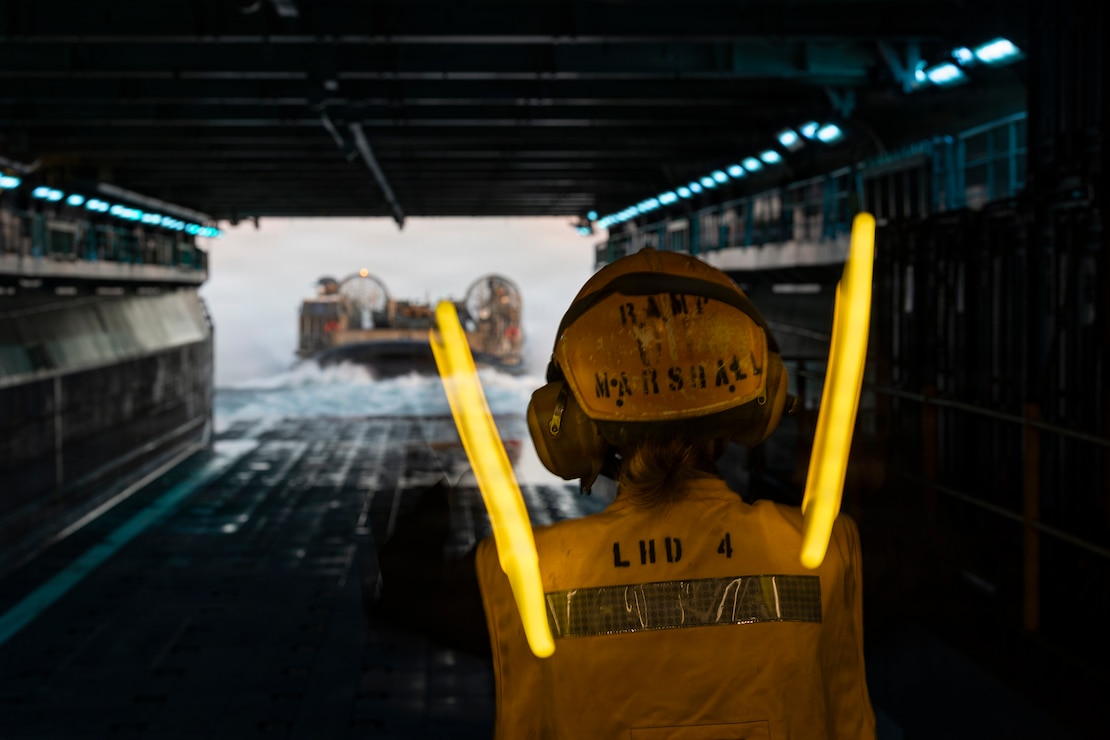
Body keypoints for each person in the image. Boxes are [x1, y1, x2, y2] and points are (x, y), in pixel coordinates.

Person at [376, 247, 876, 739]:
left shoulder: (528, 576)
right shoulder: (824, 555)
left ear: (568, 424)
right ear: (757, 400)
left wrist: (431, 500)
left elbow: (398, 593)